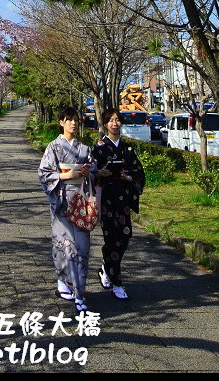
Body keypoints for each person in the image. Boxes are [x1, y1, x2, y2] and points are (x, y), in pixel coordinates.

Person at [38, 105, 95, 313]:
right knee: (66, 246)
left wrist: (88, 172)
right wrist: (64, 176)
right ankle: (70, 287)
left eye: (75, 120)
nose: (73, 123)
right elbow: (44, 174)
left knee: (82, 247)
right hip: (62, 202)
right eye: (69, 120)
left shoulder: (84, 149)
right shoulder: (53, 147)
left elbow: (93, 169)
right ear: (61, 122)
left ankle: (79, 289)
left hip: (80, 201)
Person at [91, 106, 146, 300]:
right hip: (106, 200)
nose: (115, 123)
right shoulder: (99, 148)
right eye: (111, 120)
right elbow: (90, 173)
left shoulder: (127, 148)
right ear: (105, 124)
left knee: (125, 237)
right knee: (111, 239)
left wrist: (128, 177)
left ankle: (106, 267)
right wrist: (100, 173)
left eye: (117, 120)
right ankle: (117, 282)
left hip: (123, 200)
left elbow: (139, 172)